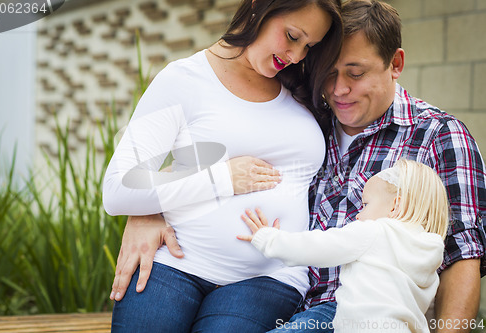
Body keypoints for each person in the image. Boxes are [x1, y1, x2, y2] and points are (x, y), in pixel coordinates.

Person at [109, 1, 486, 332]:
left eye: (355, 74)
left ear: (396, 64)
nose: (339, 90)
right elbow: (134, 172)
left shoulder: (435, 134)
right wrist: (147, 211)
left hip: (335, 303)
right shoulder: (312, 110)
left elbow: (463, 254)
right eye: (329, 73)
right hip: (243, 283)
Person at [102, 0, 343, 331]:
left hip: (269, 277)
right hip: (175, 264)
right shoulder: (183, 79)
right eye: (291, 35)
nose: (297, 55)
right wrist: (221, 179)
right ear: (260, 6)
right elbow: (119, 189)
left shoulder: (305, 88)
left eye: (309, 46)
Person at [238, 159, 450, 333]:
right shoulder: (431, 254)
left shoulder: (375, 232)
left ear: (395, 206)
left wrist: (267, 238)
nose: (359, 214)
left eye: (366, 204)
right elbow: (428, 310)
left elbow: (318, 247)